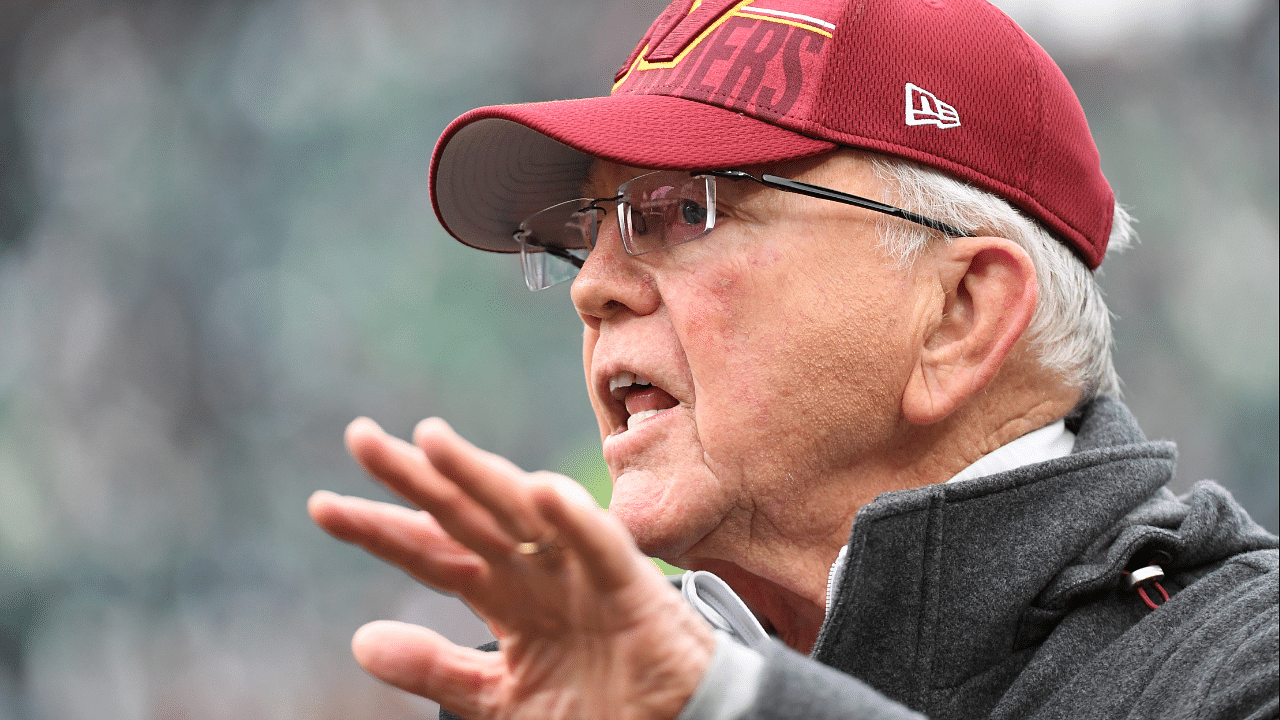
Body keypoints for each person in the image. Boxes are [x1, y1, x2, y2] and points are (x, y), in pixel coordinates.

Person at [308, 0, 1279, 718]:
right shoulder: (564, 695)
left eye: (681, 209)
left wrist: (725, 704)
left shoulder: (1243, 663)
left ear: (957, 313)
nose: (590, 284)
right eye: (582, 231)